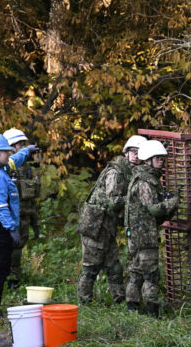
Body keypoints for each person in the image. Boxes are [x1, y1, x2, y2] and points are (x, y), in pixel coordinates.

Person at [76, 135, 147, 304]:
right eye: (133, 152)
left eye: (140, 153)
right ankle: (84, 302)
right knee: (91, 267)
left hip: (107, 226)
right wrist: (133, 199)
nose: (136, 156)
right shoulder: (116, 172)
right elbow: (113, 201)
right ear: (126, 153)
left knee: (114, 266)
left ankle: (119, 300)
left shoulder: (132, 172)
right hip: (95, 225)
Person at [0, 133, 36, 317]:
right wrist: (11, 229)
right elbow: (0, 206)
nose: (9, 154)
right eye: (5, 152)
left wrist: (26, 151)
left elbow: (14, 161)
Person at [124, 139, 179, 317]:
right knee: (151, 275)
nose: (162, 163)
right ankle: (152, 312)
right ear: (148, 160)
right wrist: (173, 201)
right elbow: (154, 209)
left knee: (137, 272)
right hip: (144, 236)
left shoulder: (142, 177)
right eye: (159, 159)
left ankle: (132, 309)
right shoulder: (146, 181)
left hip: (137, 234)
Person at [3, 128, 41, 290]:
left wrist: (35, 221)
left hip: (25, 214)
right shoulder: (7, 165)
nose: (24, 147)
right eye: (20, 144)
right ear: (11, 146)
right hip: (10, 215)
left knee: (18, 247)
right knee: (10, 248)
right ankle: (9, 279)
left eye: (25, 144)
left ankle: (13, 279)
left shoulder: (26, 168)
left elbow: (30, 196)